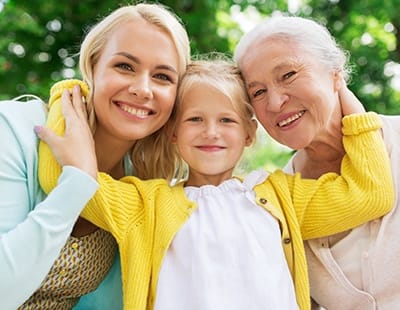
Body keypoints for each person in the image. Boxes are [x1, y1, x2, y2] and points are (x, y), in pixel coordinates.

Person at [36, 57, 393, 310]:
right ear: (173, 132)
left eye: (227, 120)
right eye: (195, 119)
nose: (211, 132)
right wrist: (70, 94)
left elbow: (371, 195)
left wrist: (352, 110)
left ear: (250, 133)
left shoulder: (283, 196)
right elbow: (61, 179)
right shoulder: (143, 206)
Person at [0, 3, 190, 309]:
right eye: (125, 66)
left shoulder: (140, 186)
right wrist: (77, 182)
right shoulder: (13, 131)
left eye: (162, 77)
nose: (142, 89)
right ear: (93, 66)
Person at [234, 15, 399, 310]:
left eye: (288, 75)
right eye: (258, 92)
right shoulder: (278, 202)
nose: (274, 103)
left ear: (335, 74)